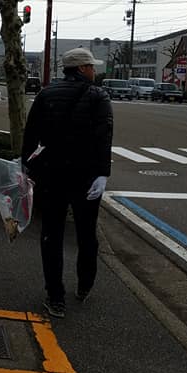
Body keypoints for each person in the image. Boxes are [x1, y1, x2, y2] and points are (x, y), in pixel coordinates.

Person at [22, 47, 113, 319]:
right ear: (83, 68)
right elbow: (104, 137)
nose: (94, 71)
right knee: (86, 233)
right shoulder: (98, 96)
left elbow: (31, 134)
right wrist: (102, 173)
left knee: (51, 234)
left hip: (51, 174)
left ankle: (55, 296)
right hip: (86, 176)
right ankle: (85, 284)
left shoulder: (46, 94)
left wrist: (28, 166)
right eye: (91, 66)